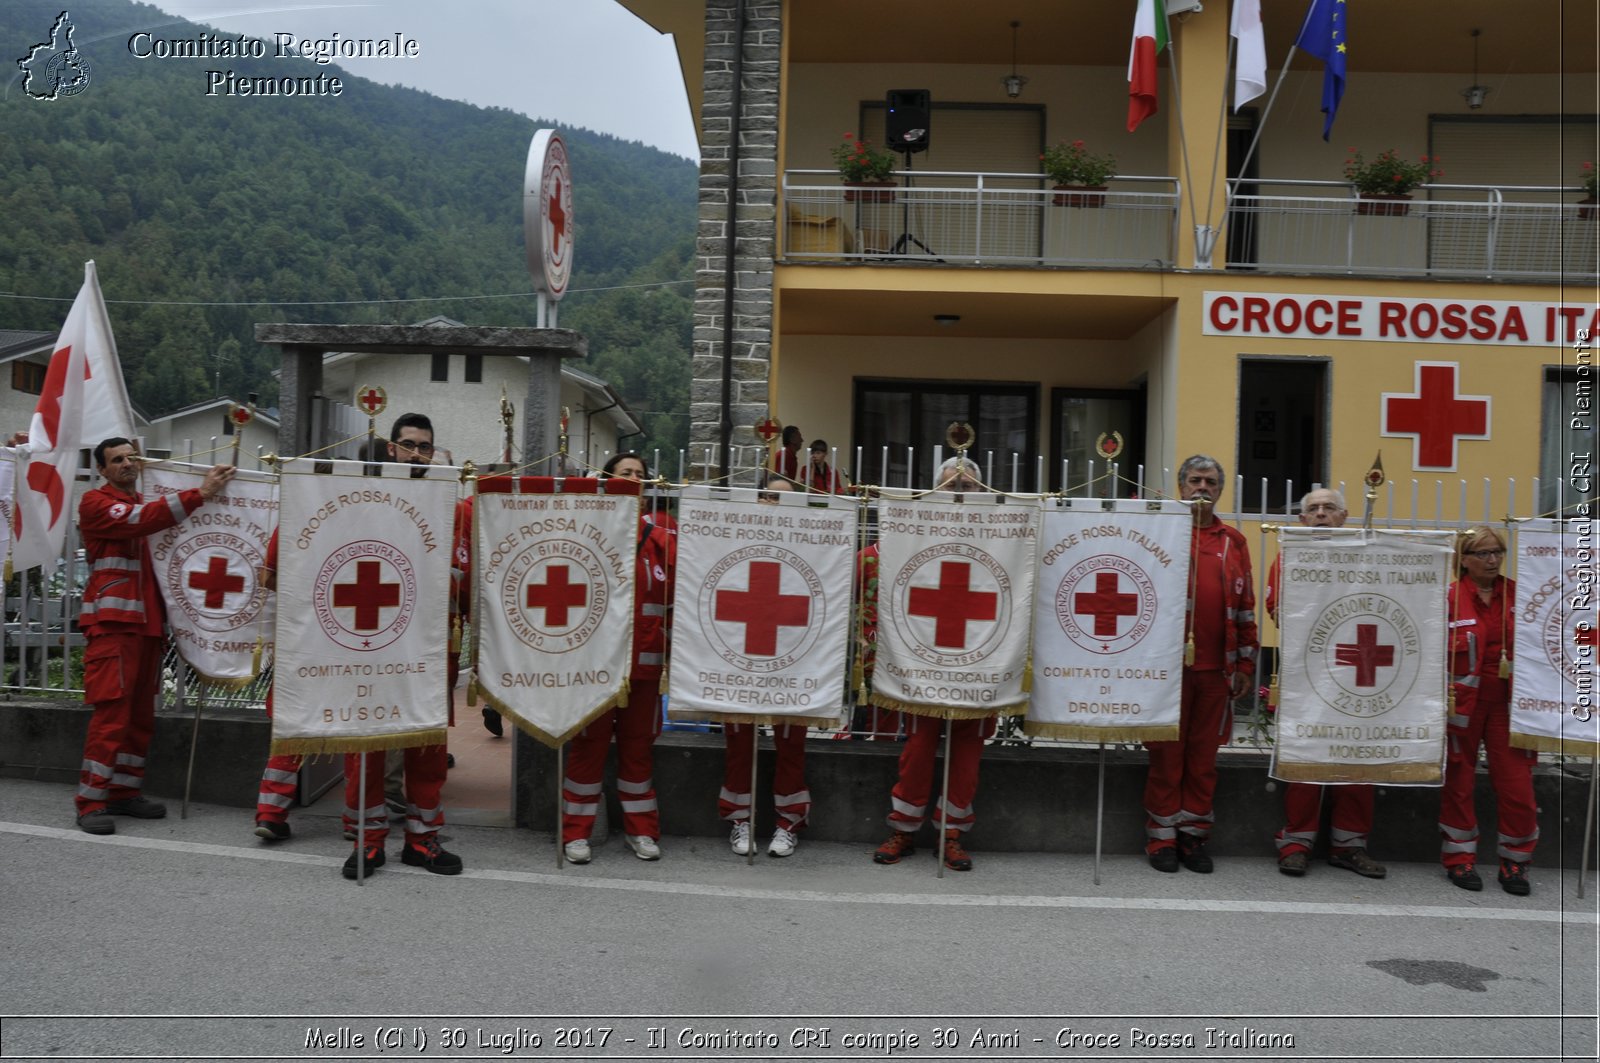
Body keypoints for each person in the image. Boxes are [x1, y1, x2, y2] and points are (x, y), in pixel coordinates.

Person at [74, 438, 234, 834]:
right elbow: (140, 520)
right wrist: (203, 492)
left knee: (140, 717)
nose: (128, 463)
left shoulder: (146, 503)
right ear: (102, 469)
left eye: (132, 456)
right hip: (112, 627)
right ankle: (90, 801)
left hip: (146, 628)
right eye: (117, 459)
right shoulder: (95, 503)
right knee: (112, 715)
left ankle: (123, 794)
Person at [339, 413, 465, 879]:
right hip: (373, 648)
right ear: (390, 449)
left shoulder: (454, 509)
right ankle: (367, 844)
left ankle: (422, 841)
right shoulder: (360, 502)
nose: (417, 453)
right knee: (367, 748)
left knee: (428, 753)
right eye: (409, 445)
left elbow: (468, 580)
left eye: (425, 447)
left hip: (428, 655)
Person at [872, 456, 996, 872]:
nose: (959, 494)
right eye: (949, 487)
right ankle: (904, 830)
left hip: (980, 657)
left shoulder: (1002, 535)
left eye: (968, 487)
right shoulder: (915, 533)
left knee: (967, 757)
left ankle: (952, 835)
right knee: (918, 750)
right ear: (934, 491)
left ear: (982, 492)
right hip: (924, 661)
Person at [1143, 455, 1258, 874]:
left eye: (1210, 482)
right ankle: (1161, 839)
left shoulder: (1234, 541)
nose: (1202, 488)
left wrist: (1246, 662)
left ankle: (1193, 837)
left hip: (1216, 671)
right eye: (1194, 480)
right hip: (1167, 672)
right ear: (1180, 487)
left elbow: (1245, 606)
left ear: (1220, 490)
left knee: (1203, 759)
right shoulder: (1160, 532)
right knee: (1166, 757)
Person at [561, 452, 676, 864]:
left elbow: (676, 604)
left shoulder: (663, 541)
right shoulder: (588, 533)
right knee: (587, 748)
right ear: (608, 481)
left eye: (640, 475)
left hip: (645, 667)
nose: (633, 479)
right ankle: (575, 834)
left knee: (637, 750)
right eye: (625, 473)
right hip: (596, 666)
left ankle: (642, 832)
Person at [1265, 488, 1386, 879]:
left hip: (1359, 671)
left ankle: (1349, 845)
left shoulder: (1368, 556)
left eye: (1328, 508)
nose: (1320, 515)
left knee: (1357, 759)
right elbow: (1278, 610)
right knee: (1304, 758)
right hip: (1308, 676)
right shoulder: (1288, 557)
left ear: (1345, 516)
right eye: (1312, 509)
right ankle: (1297, 842)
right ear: (1302, 521)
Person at [1440, 526, 1536, 895]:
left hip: (1511, 708)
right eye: (1482, 553)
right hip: (1461, 709)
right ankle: (1459, 859)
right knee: (1459, 785)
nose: (1493, 559)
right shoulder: (1448, 597)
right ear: (1463, 559)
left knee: (1517, 788)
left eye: (1497, 552)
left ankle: (1516, 861)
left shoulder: (1522, 595)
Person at [720, 476, 811, 858]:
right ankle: (739, 819)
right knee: (740, 745)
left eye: (786, 498)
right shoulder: (733, 539)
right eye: (770, 496)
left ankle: (788, 822)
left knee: (791, 745)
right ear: (757, 500)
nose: (776, 503)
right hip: (741, 652)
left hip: (793, 655)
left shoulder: (812, 544)